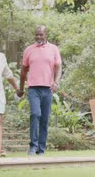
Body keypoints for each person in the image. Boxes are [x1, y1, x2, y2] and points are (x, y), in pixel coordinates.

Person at [19, 25, 62, 155]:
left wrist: (56, 82)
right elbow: (23, 71)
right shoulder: (29, 50)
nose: (38, 37)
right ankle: (33, 145)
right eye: (36, 34)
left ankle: (41, 149)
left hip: (47, 89)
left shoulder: (53, 49)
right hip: (33, 89)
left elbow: (58, 67)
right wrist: (20, 88)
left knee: (44, 119)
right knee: (35, 114)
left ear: (46, 35)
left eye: (41, 34)